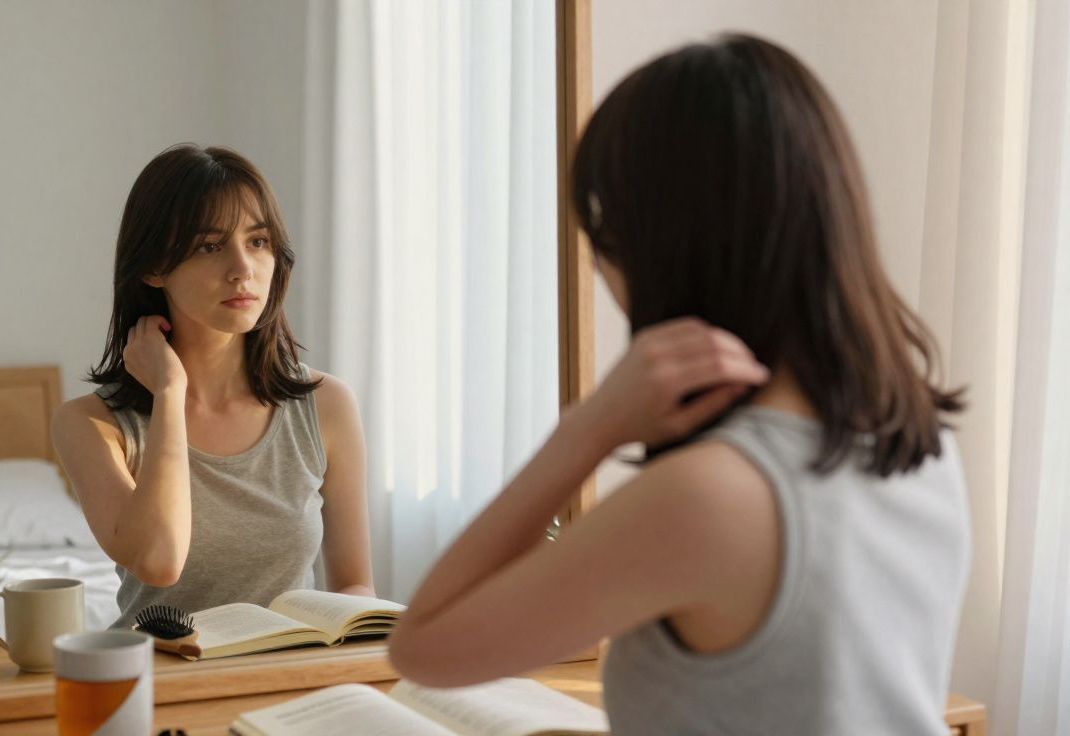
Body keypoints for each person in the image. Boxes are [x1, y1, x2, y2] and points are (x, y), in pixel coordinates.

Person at [388, 34, 970, 735]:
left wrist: (590, 426)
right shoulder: (921, 441)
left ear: (660, 239)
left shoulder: (710, 496)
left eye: (605, 228)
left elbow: (424, 647)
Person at [51, 144, 374, 629]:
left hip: (289, 682)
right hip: (161, 686)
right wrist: (168, 393)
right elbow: (159, 561)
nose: (243, 268)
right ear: (154, 267)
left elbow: (354, 585)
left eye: (258, 241)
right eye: (209, 245)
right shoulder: (92, 424)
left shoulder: (325, 405)